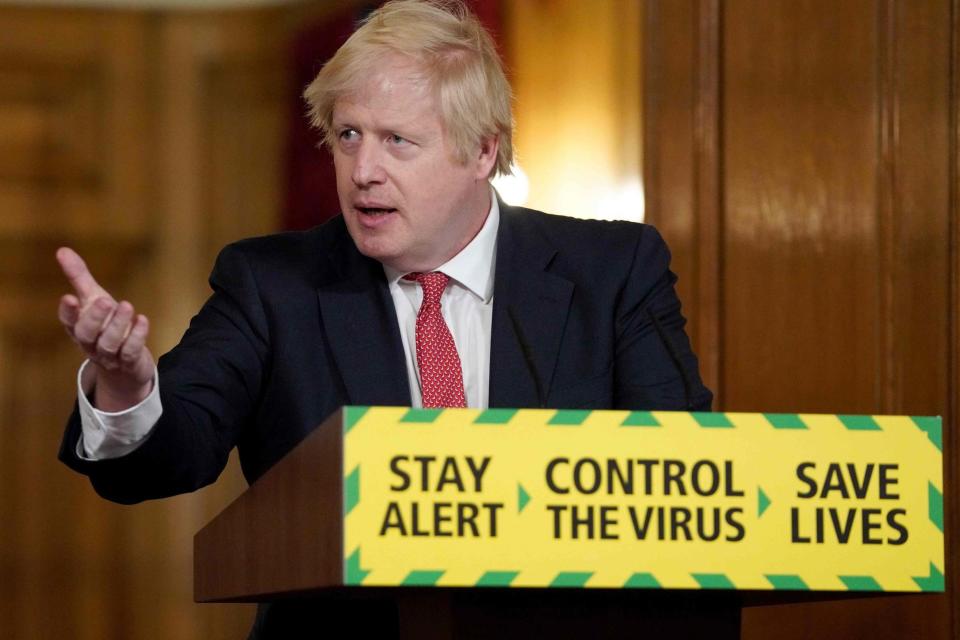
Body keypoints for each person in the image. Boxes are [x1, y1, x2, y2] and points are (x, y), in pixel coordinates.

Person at [57, 0, 718, 637]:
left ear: (483, 150)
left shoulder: (610, 272)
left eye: (398, 141)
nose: (362, 172)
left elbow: (686, 482)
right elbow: (173, 454)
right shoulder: (273, 285)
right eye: (348, 136)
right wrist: (127, 388)